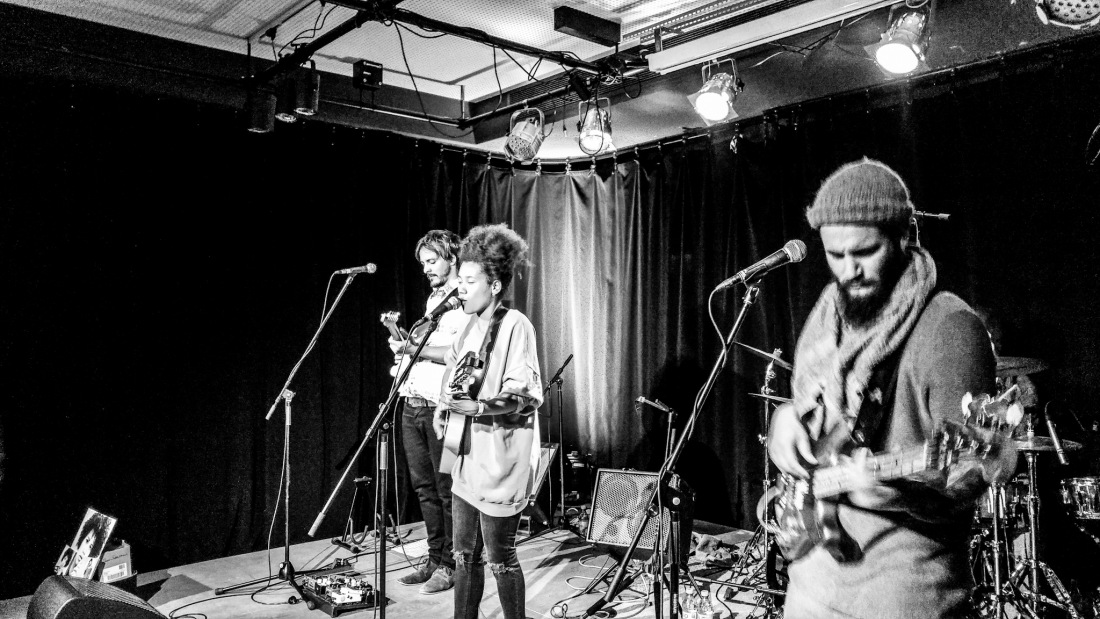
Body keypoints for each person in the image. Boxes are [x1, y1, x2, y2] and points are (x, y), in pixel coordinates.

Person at [768, 158, 1012, 618]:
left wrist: (898, 491)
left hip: (903, 587)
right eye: (835, 255)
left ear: (904, 237)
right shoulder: (828, 313)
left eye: (864, 252)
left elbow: (970, 473)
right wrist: (785, 418)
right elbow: (815, 411)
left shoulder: (949, 328)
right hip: (813, 575)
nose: (848, 271)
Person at [433, 223, 543, 619]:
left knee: (501, 558)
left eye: (468, 280)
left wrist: (478, 408)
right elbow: (455, 372)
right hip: (467, 459)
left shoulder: (515, 325)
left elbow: (522, 394)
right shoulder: (467, 325)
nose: (459, 288)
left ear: (494, 285)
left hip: (500, 461)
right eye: (458, 280)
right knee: (464, 556)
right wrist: (443, 408)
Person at [391, 230, 467, 595]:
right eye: (422, 263)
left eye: (432, 260)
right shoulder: (433, 300)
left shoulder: (465, 296)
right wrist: (404, 345)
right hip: (413, 403)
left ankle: (453, 564)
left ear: (452, 257)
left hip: (444, 408)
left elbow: (459, 351)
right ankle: (435, 557)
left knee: (446, 488)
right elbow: (424, 347)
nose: (426, 269)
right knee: (424, 489)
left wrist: (414, 349)